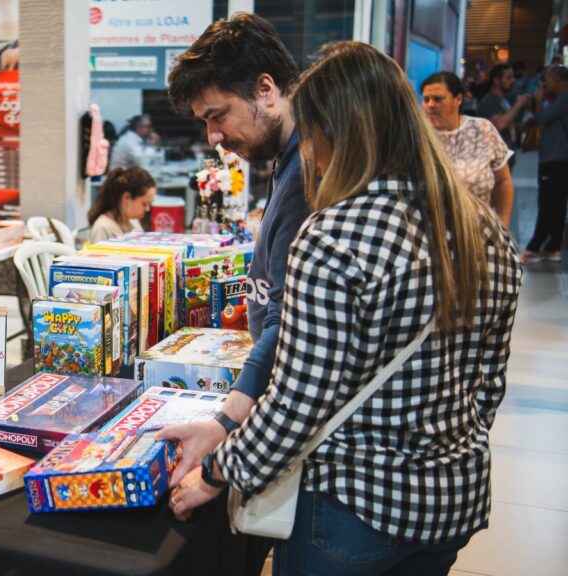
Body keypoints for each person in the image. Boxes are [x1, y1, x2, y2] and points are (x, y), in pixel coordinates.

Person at [160, 41, 521, 575]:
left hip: (355, 509)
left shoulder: (334, 234)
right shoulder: (481, 226)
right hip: (453, 502)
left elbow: (298, 401)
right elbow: (488, 384)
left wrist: (216, 472)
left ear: (335, 130)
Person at [163, 13, 309, 575]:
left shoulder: (308, 173)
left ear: (266, 90)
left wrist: (225, 434)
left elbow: (292, 327)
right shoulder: (287, 163)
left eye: (217, 116)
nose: (214, 137)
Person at [422, 72, 515, 226]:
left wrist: (502, 225)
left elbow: (503, 181)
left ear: (458, 99)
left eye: (438, 99)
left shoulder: (482, 129)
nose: (430, 105)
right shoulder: (418, 135)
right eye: (426, 100)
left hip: (478, 230)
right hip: (428, 233)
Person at [522, 64, 568, 263]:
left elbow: (542, 118)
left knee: (548, 203)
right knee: (556, 204)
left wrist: (538, 102)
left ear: (560, 81)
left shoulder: (564, 99)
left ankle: (535, 246)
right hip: (558, 159)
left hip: (556, 160)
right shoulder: (561, 100)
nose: (543, 84)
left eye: (547, 79)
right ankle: (552, 246)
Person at [477, 63, 531, 170]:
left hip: (506, 157)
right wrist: (518, 105)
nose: (513, 81)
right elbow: (499, 125)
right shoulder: (489, 101)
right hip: (495, 159)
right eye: (508, 78)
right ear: (496, 81)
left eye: (513, 77)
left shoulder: (503, 100)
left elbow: (507, 124)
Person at [87, 167, 156, 243]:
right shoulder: (103, 228)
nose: (147, 209)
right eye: (144, 204)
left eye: (150, 204)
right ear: (127, 198)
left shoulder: (134, 223)